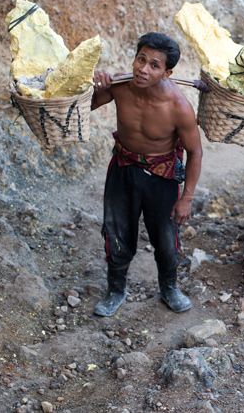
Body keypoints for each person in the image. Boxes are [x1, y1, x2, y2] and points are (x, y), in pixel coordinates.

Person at [90, 32, 203, 317]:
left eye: (154, 65)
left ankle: (169, 287)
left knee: (166, 238)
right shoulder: (119, 86)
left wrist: (186, 198)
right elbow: (85, 104)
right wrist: (94, 82)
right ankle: (115, 289)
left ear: (168, 73)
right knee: (116, 232)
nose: (143, 69)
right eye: (141, 59)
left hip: (161, 177)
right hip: (123, 168)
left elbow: (195, 152)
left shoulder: (179, 108)